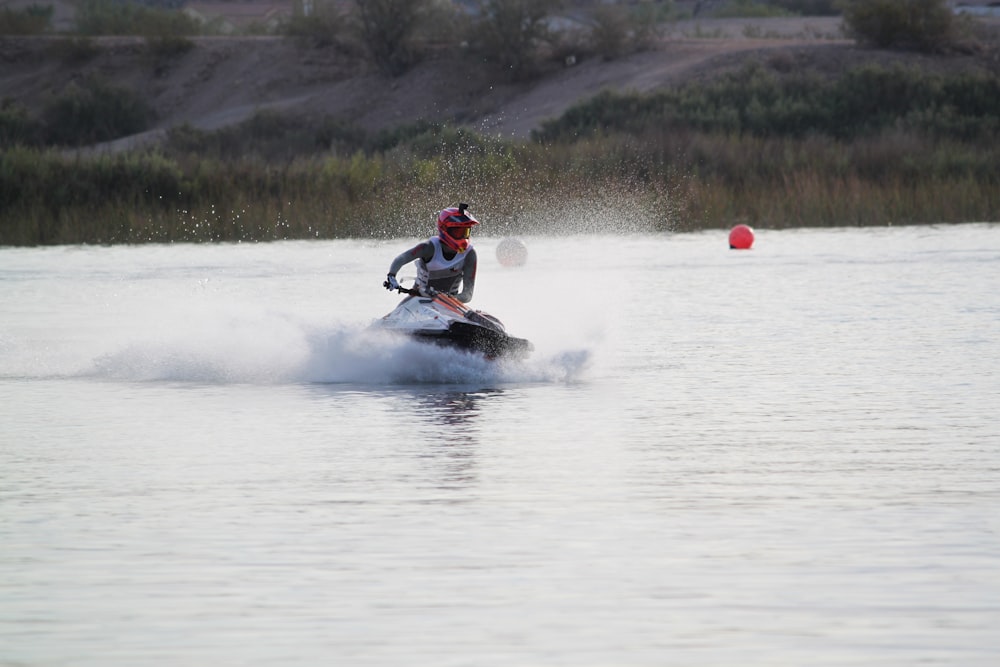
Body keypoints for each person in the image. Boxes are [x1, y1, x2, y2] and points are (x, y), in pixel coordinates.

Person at [384, 203, 479, 303]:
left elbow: (467, 295)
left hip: (450, 304)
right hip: (419, 299)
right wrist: (392, 276)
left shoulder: (469, 254)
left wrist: (448, 298)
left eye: (466, 232)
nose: (463, 238)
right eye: (458, 232)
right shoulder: (429, 248)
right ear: (444, 229)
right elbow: (402, 258)